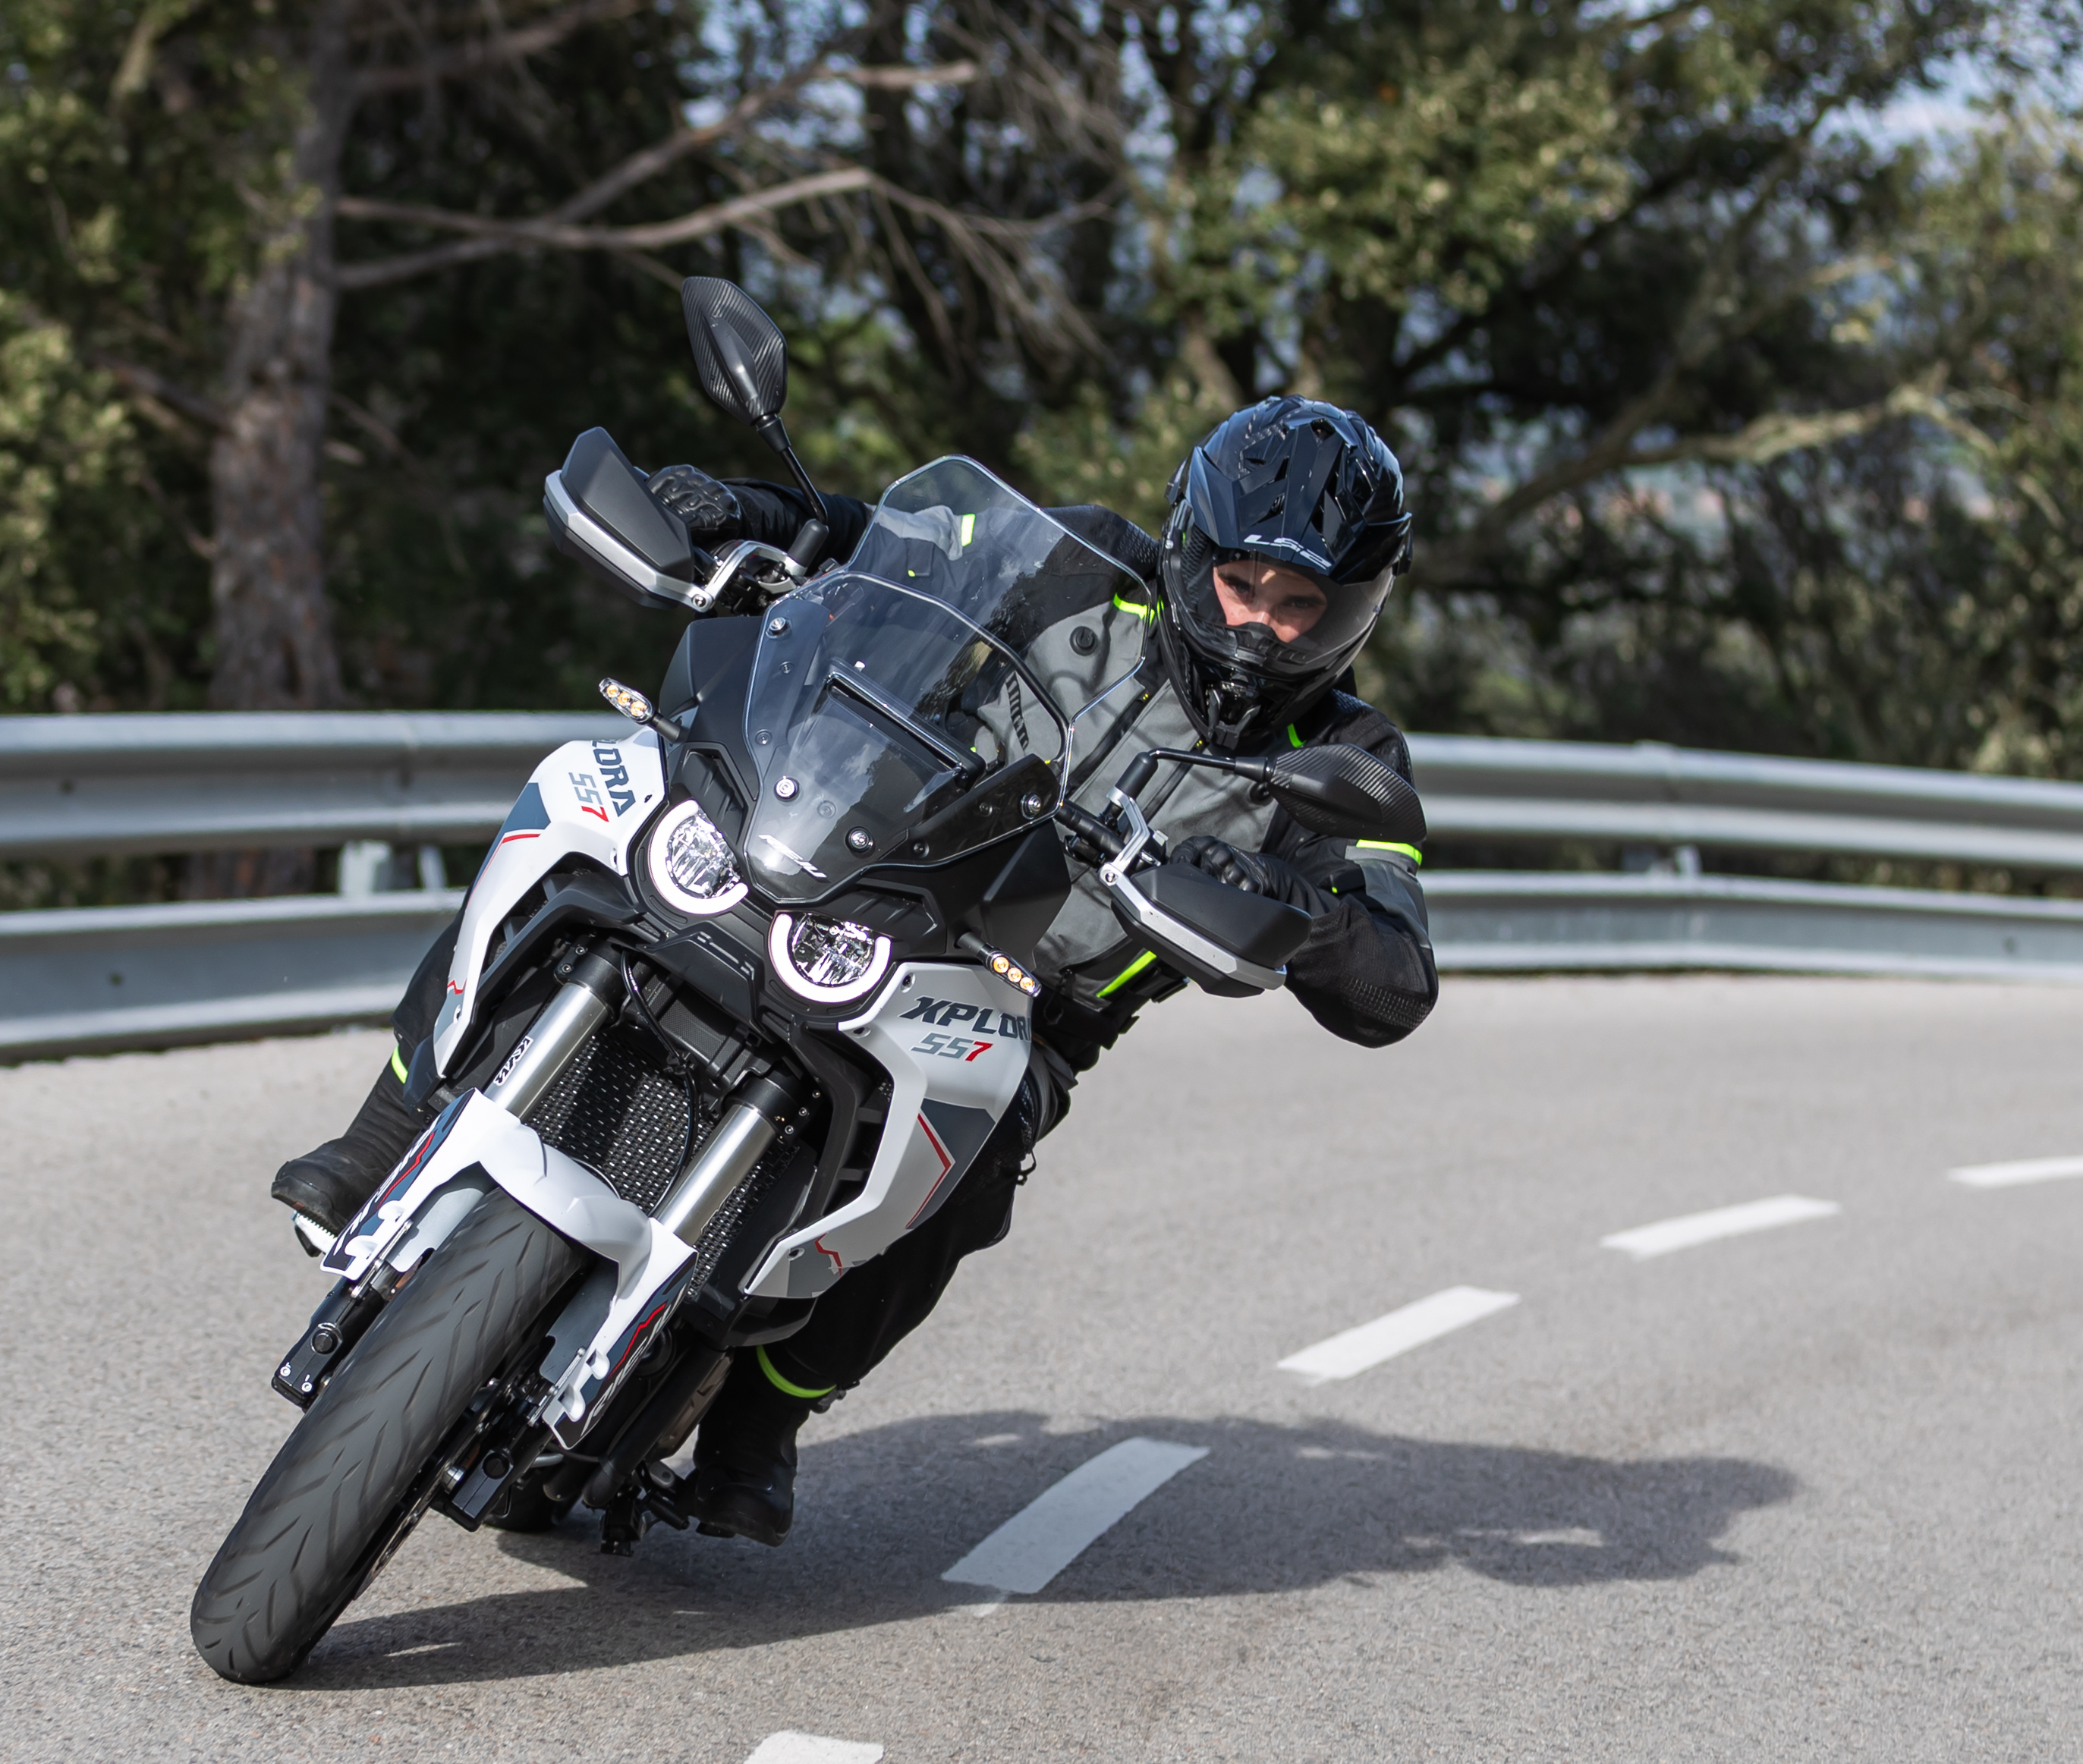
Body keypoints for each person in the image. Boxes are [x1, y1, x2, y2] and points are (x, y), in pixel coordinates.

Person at [271, 395, 1440, 1546]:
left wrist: (1303, 908)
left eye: (1301, 605)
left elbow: (1397, 970)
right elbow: (876, 536)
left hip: (1018, 998)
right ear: (1192, 548)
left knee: (974, 1163)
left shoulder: (1349, 756)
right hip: (855, 859)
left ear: (1355, 610)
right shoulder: (1081, 564)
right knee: (589, 827)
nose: (1260, 626)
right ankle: (385, 1133)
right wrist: (734, 508)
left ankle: (760, 1418)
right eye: (1242, 583)